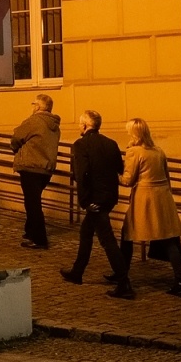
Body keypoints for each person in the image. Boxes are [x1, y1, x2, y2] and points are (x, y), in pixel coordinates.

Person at [61, 110, 133, 299]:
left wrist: (85, 201)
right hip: (109, 196)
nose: (79, 126)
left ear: (85, 126)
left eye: (79, 123)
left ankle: (124, 281)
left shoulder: (81, 145)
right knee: (86, 232)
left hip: (95, 199)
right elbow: (119, 168)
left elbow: (81, 174)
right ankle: (77, 271)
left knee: (107, 239)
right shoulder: (111, 143)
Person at [119, 118, 181, 296]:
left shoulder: (134, 152)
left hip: (145, 198)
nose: (127, 133)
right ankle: (179, 279)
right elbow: (167, 175)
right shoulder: (158, 151)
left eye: (129, 131)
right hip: (163, 197)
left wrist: (114, 174)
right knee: (169, 238)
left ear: (134, 133)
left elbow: (128, 180)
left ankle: (121, 274)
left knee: (127, 235)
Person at [11, 93, 62, 249]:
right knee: (33, 200)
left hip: (30, 165)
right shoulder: (54, 125)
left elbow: (16, 138)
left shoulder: (34, 121)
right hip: (46, 168)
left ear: (38, 106)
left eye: (33, 104)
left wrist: (15, 149)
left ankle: (39, 239)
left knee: (32, 203)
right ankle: (30, 230)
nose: (32, 107)